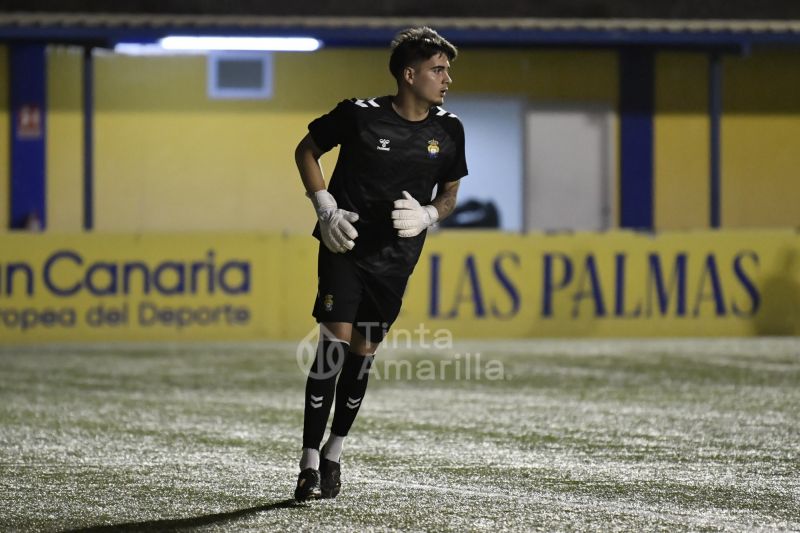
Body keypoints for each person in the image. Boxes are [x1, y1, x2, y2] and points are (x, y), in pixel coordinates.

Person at [292, 26, 467, 502]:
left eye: (447, 70)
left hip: (395, 262)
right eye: (438, 69)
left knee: (361, 357)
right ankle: (308, 463)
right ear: (409, 75)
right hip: (344, 246)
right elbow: (306, 150)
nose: (447, 78)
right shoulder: (359, 115)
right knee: (332, 349)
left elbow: (450, 193)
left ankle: (334, 452)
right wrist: (324, 207)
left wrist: (429, 214)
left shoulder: (450, 129)